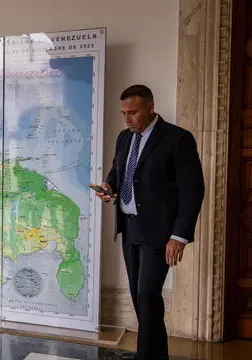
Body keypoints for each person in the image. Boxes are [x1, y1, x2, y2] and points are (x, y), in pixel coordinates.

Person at [96, 84, 205, 360]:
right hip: (130, 229)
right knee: (140, 299)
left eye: (132, 112)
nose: (127, 118)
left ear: (150, 107)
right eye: (123, 113)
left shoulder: (177, 139)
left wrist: (178, 236)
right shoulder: (123, 138)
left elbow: (193, 190)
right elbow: (117, 172)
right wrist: (108, 186)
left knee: (147, 297)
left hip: (160, 233)